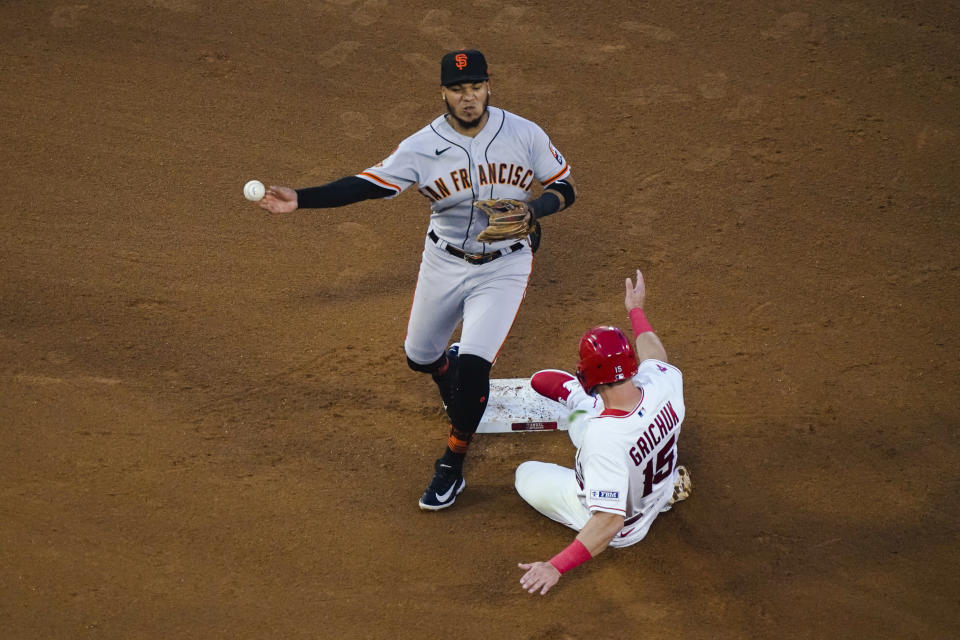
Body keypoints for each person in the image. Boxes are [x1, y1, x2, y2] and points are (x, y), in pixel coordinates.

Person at [252, 50, 577, 510]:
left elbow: (565, 187)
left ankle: (452, 463)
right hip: (443, 261)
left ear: (489, 87)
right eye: (459, 89)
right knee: (420, 356)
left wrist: (534, 210)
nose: (469, 98)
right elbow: (365, 186)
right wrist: (300, 199)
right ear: (444, 92)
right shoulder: (422, 146)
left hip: (505, 265)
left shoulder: (524, 133)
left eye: (477, 87)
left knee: (472, 375)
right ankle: (449, 374)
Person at [515, 269, 691, 595]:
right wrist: (636, 310)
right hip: (657, 483)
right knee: (597, 431)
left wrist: (555, 566)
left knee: (524, 475)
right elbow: (656, 354)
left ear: (590, 375)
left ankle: (579, 399)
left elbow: (608, 522)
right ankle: (666, 494)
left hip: (626, 527)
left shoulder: (604, 439)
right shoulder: (663, 380)